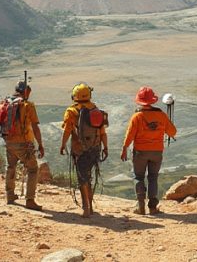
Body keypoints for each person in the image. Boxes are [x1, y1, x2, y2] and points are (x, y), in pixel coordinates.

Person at [120, 86, 177, 215]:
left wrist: (124, 148)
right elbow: (173, 132)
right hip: (157, 152)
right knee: (153, 178)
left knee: (138, 177)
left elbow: (130, 135)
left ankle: (140, 206)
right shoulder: (161, 115)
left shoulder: (137, 116)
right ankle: (152, 208)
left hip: (140, 152)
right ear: (152, 101)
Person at [59, 83, 109, 218]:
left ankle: (86, 208)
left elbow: (67, 130)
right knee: (89, 176)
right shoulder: (95, 110)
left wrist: (63, 145)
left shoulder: (71, 111)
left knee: (82, 178)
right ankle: (91, 206)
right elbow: (102, 132)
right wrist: (105, 147)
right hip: (95, 148)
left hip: (80, 150)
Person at [3, 79, 45, 210]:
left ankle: (10, 196)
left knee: (11, 167)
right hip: (24, 143)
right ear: (26, 92)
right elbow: (35, 127)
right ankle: (30, 200)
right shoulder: (28, 105)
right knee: (33, 169)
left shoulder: (6, 103)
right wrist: (40, 144)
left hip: (9, 141)